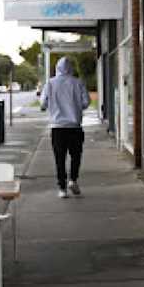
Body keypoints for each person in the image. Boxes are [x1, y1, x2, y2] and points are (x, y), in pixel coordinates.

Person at [40, 57, 90, 198]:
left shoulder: (50, 84)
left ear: (57, 68)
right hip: (75, 127)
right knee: (76, 156)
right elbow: (86, 102)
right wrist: (75, 106)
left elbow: (43, 104)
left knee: (59, 158)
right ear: (71, 68)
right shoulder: (78, 83)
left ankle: (62, 188)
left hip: (57, 128)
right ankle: (73, 180)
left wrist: (51, 106)